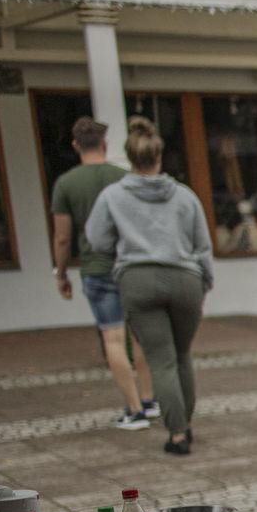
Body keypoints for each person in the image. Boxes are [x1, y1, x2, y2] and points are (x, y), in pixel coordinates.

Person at [85, 117, 214, 456]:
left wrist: (124, 243)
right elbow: (202, 245)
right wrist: (205, 283)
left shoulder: (113, 196)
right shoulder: (185, 197)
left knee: (161, 359)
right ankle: (184, 420)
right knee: (183, 354)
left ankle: (177, 433)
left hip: (138, 279)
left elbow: (96, 239)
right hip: (185, 279)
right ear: (159, 156)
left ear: (131, 158)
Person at [50, 116, 159, 431]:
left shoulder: (66, 184)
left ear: (75, 146)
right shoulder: (124, 178)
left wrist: (60, 272)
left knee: (113, 338)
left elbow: (61, 236)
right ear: (105, 144)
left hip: (97, 268)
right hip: (130, 266)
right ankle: (150, 399)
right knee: (140, 334)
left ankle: (134, 409)